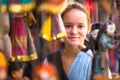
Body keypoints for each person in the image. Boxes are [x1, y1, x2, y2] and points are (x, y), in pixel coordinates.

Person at [45, 2, 93, 80]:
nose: (74, 31)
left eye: (80, 26)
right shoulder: (50, 60)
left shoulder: (94, 62)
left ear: (88, 29)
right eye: (68, 26)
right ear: (60, 27)